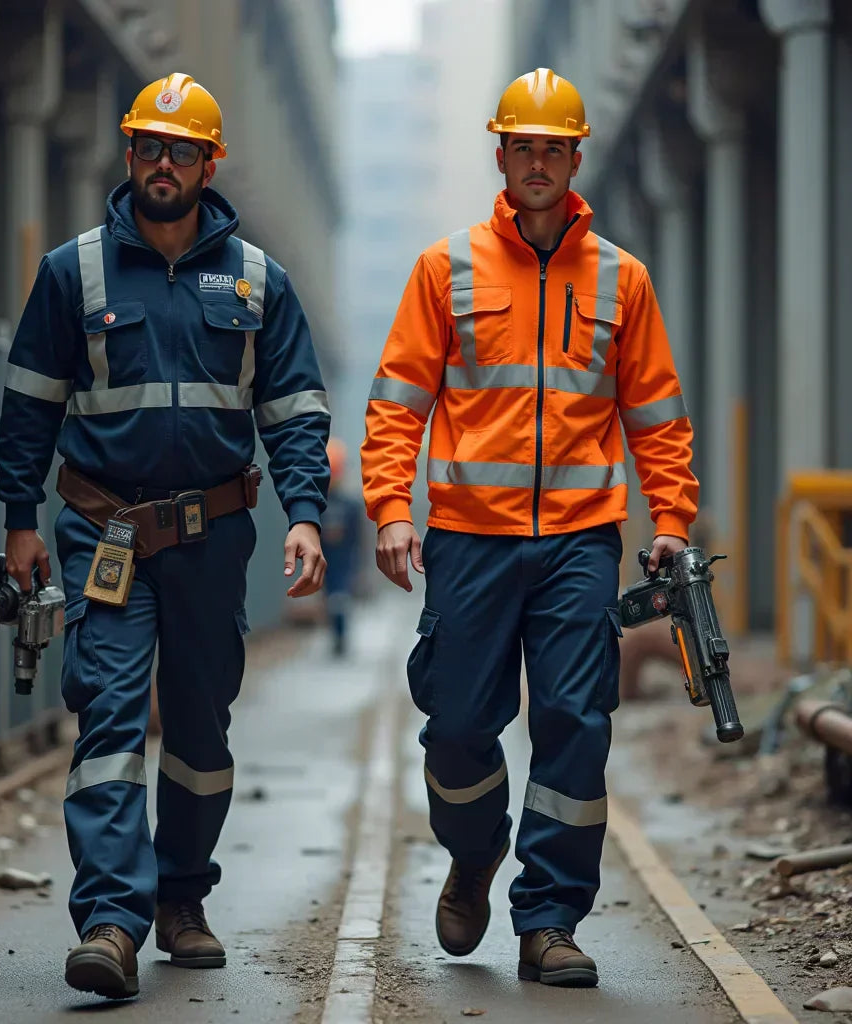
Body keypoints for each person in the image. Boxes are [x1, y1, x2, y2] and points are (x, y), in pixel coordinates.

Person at [0, 72, 330, 999]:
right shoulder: (74, 272)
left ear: (210, 165)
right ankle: (111, 919)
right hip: (102, 529)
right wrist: (19, 518)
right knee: (108, 716)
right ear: (130, 153)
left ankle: (182, 895)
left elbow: (296, 412)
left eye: (182, 152)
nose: (164, 165)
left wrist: (306, 513)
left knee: (199, 726)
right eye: (150, 147)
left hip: (212, 537)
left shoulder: (259, 280)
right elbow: (29, 406)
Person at [360, 68, 698, 987]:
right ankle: (475, 851)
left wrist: (671, 517)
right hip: (470, 538)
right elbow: (396, 405)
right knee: (458, 725)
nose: (538, 162)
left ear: (576, 159)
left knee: (575, 722)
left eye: (554, 148)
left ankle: (549, 919)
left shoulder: (623, 280)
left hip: (581, 541)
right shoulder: (446, 270)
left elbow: (657, 417)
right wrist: (392, 508)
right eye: (523, 147)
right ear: (501, 155)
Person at [319, 439, 363, 657]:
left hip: (343, 560)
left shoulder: (349, 505)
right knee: (333, 599)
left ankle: (340, 637)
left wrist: (358, 566)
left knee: (339, 600)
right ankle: (337, 636)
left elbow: (357, 537)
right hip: (327, 560)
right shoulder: (320, 504)